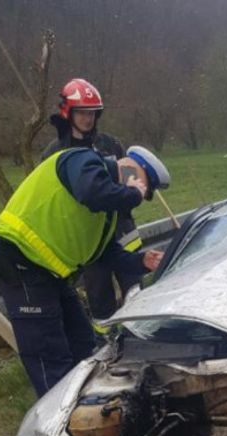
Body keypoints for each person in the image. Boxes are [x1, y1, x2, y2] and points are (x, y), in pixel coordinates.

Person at [0, 145, 169, 395]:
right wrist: (132, 194)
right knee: (50, 356)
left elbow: (104, 252)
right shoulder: (83, 161)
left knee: (84, 344)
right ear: (131, 172)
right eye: (143, 187)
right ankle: (57, 426)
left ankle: (89, 408)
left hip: (51, 276)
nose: (140, 197)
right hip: (20, 265)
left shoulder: (105, 210)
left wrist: (140, 261)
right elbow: (91, 191)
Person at [41, 78, 144, 322]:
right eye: (82, 113)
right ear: (69, 112)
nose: (88, 119)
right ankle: (107, 347)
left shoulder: (110, 144)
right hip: (88, 241)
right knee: (100, 300)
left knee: (137, 294)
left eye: (92, 113)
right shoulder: (53, 152)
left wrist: (137, 187)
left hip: (122, 233)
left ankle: (141, 336)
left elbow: (130, 176)